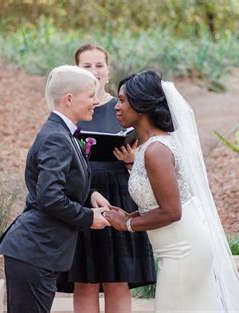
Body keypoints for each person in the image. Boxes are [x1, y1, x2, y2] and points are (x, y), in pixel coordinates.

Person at [105, 70, 239, 312]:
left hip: (184, 251)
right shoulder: (147, 146)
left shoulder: (157, 150)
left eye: (122, 100)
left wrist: (128, 225)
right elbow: (158, 201)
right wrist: (129, 215)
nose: (116, 106)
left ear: (141, 106)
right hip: (175, 249)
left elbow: (172, 211)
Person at [0, 65, 111, 313]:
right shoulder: (57, 137)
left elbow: (57, 185)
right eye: (91, 95)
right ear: (69, 99)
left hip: (40, 252)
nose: (96, 101)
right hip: (35, 251)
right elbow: (50, 198)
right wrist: (88, 217)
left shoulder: (62, 132)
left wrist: (89, 195)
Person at [57, 44, 156, 313]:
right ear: (76, 71)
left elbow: (151, 165)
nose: (94, 71)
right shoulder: (70, 111)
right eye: (86, 66)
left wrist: (132, 161)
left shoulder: (122, 108)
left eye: (99, 65)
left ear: (109, 71)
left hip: (117, 195)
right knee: (85, 280)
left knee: (117, 278)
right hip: (80, 196)